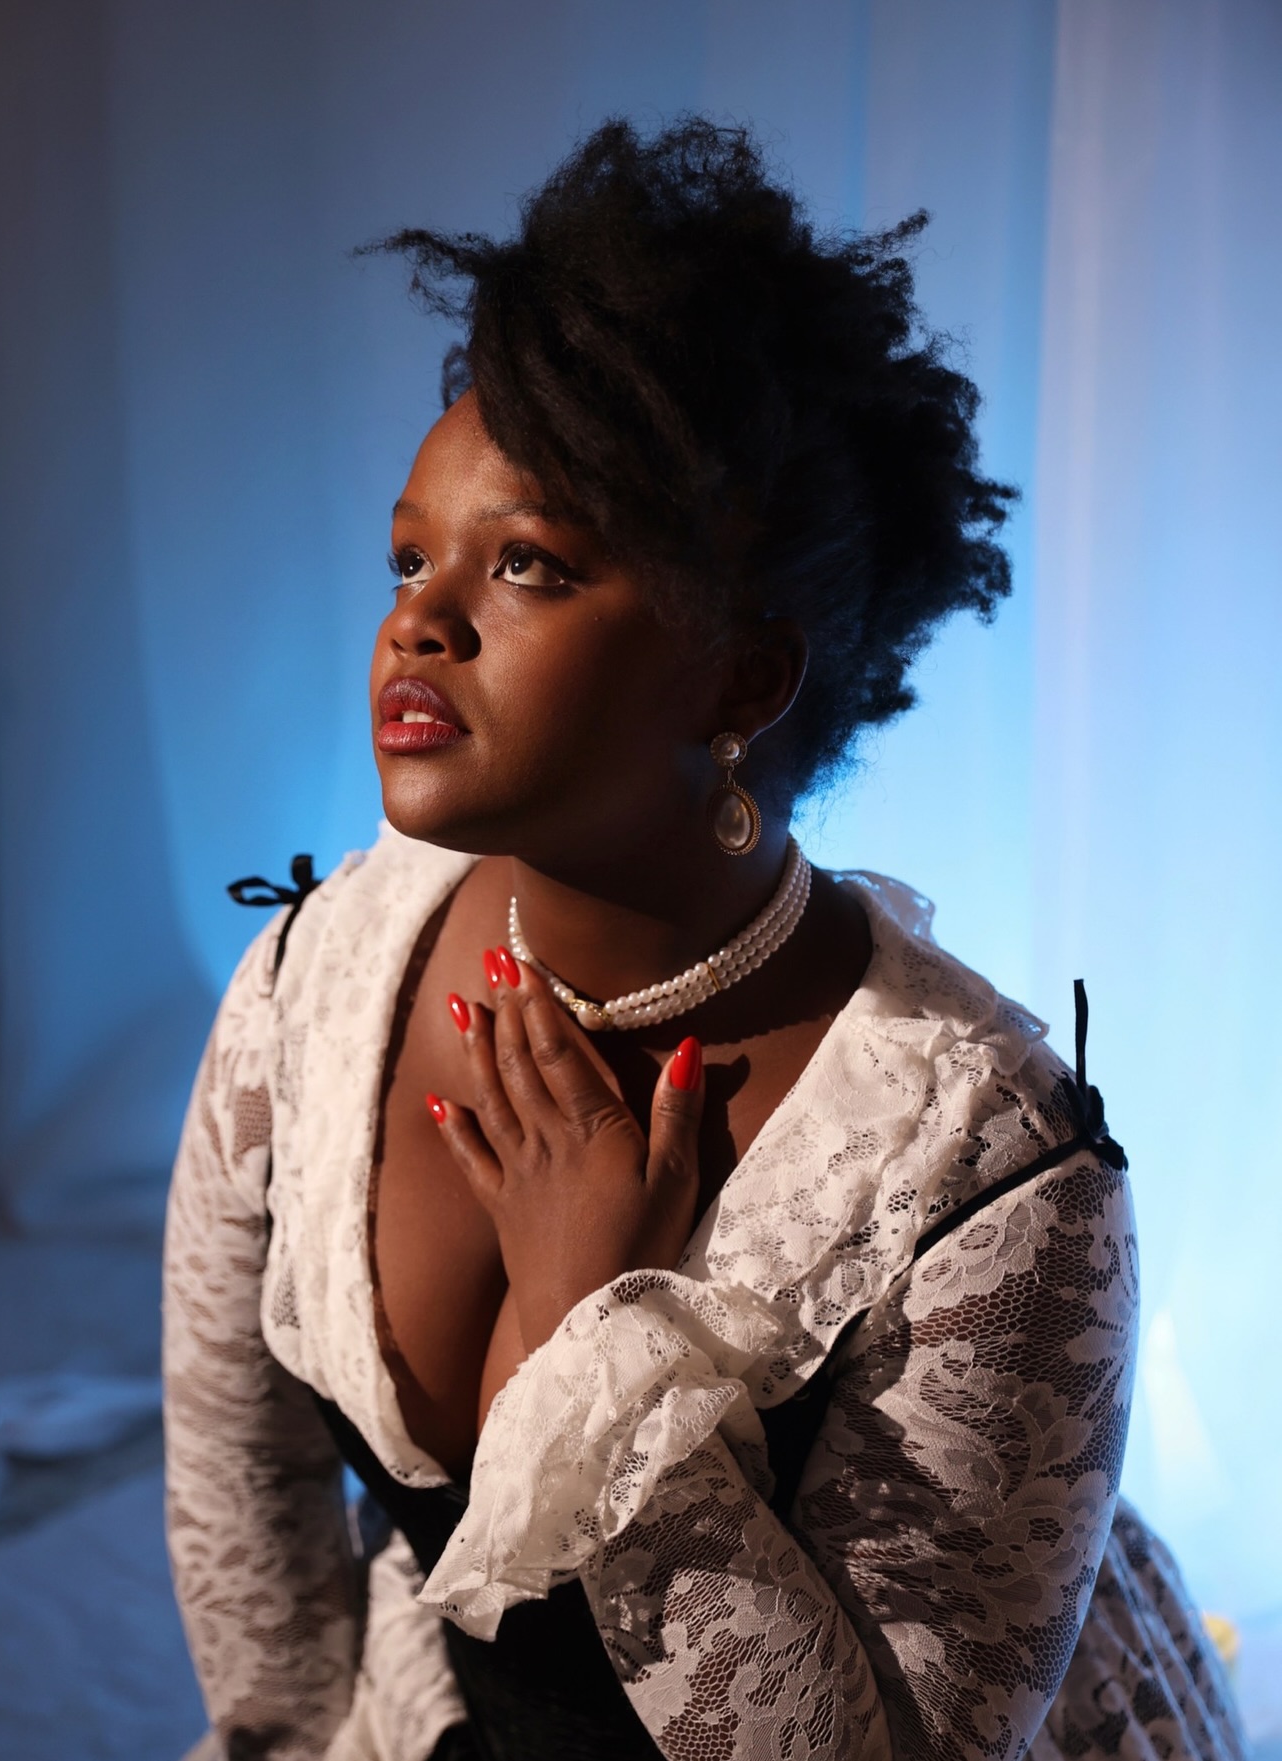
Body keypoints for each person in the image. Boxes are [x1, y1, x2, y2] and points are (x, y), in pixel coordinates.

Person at [162, 118, 1246, 1761]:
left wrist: (597, 1321)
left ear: (742, 679)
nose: (418, 619)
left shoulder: (991, 1176)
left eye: (527, 564)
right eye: (411, 554)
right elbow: (239, 1484)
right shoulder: (312, 980)